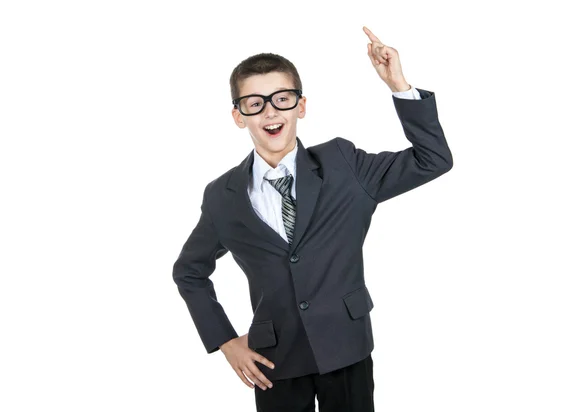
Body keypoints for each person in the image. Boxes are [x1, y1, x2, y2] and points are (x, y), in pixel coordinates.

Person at [172, 26, 453, 412]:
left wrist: (398, 85)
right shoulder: (222, 196)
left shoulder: (343, 164)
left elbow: (432, 160)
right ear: (239, 116)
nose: (270, 111)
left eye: (282, 99)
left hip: (346, 348)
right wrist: (224, 340)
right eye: (255, 103)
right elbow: (189, 270)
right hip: (274, 362)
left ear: (300, 107)